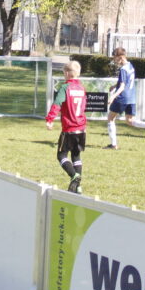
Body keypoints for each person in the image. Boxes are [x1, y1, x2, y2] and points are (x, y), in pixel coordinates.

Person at [46, 60, 88, 193]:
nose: (63, 75)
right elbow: (83, 107)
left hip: (69, 129)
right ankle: (78, 186)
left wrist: (50, 119)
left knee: (61, 155)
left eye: (64, 72)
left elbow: (57, 104)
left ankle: (74, 176)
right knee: (76, 156)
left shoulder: (65, 88)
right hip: (81, 128)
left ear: (68, 73)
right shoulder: (82, 88)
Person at [105, 47, 145, 149]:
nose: (114, 60)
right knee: (130, 120)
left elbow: (123, 86)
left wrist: (113, 97)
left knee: (110, 119)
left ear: (121, 57)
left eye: (115, 58)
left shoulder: (123, 69)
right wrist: (115, 85)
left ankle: (113, 144)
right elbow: (127, 81)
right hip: (131, 97)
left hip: (122, 97)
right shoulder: (131, 66)